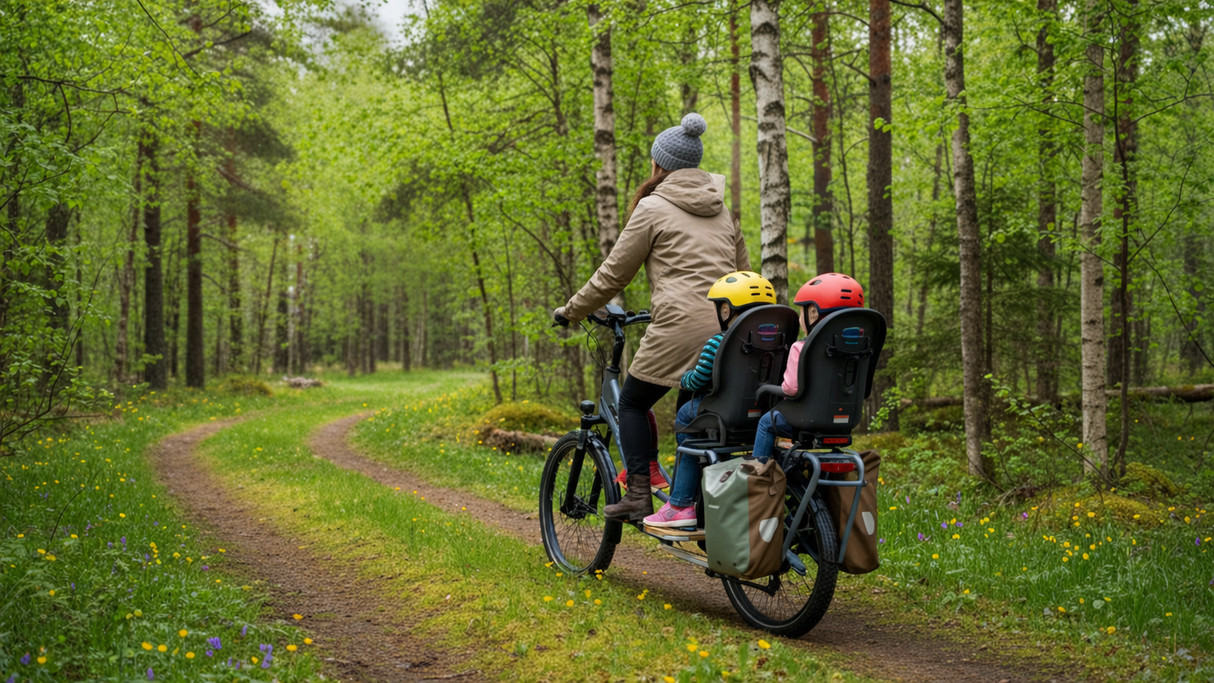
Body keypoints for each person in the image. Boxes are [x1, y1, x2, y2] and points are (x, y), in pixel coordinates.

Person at [554, 112, 749, 522]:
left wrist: (572, 311)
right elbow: (744, 275)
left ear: (660, 165)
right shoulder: (722, 208)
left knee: (631, 402)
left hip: (679, 325)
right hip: (730, 328)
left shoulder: (653, 206)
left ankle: (639, 493)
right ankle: (689, 504)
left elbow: (614, 274)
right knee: (692, 415)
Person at [644, 271, 776, 528]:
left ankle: (681, 503)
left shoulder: (719, 341)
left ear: (726, 310)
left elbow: (698, 379)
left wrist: (684, 379)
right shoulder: (774, 343)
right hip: (760, 411)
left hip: (723, 411)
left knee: (685, 417)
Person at [750, 273, 866, 463]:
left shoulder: (800, 348)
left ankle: (759, 477)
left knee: (766, 422)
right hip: (845, 420)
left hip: (806, 418)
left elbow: (790, 389)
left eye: (802, 311)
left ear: (813, 312)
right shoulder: (859, 351)